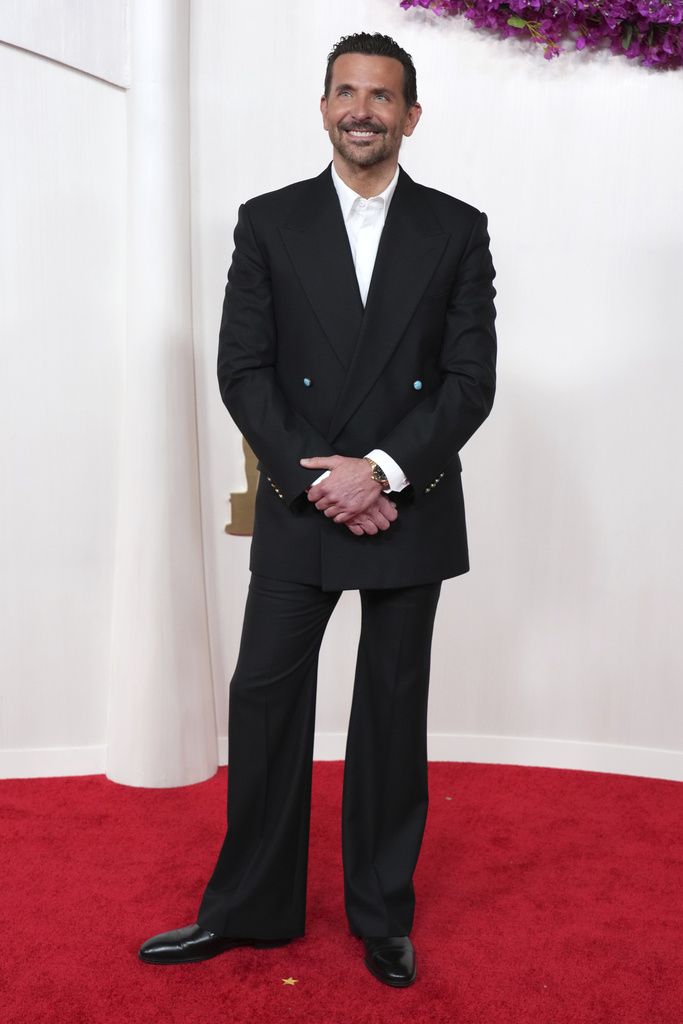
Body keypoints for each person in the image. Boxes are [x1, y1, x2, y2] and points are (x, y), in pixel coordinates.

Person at [139, 31, 497, 988]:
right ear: (323, 105)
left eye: (381, 96)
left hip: (405, 503)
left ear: (410, 116)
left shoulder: (457, 228)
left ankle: (382, 915)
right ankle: (251, 908)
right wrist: (321, 480)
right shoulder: (269, 221)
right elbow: (242, 369)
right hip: (305, 502)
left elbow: (469, 383)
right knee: (263, 701)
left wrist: (378, 471)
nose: (361, 110)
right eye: (345, 91)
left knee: (389, 712)